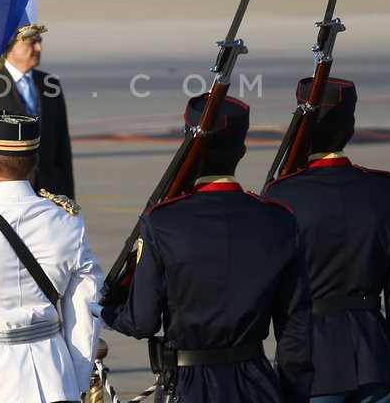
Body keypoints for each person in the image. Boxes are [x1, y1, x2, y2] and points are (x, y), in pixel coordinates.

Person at [100, 94, 314, 403]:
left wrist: (105, 313)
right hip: (257, 386)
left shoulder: (163, 222)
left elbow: (142, 321)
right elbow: (296, 327)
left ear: (189, 150)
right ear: (241, 150)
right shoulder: (278, 220)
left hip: (188, 388)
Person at [263, 77, 390, 403]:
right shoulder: (387, 190)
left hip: (311, 366)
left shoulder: (282, 196)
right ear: (350, 128)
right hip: (379, 362)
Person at [0, 112, 103, 403]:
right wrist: (78, 376)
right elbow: (85, 303)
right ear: (35, 163)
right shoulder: (66, 220)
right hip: (52, 373)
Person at [0, 31, 75, 198]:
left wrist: (68, 194)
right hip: (5, 192)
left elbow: (62, 145)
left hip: (50, 189)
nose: (39, 48)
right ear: (10, 48)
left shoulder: (50, 83)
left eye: (39, 42)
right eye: (32, 43)